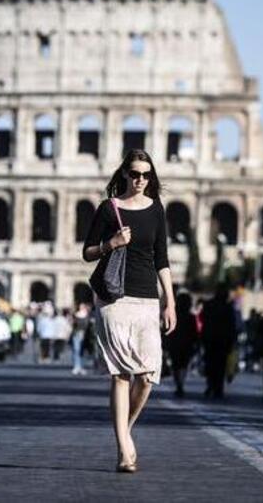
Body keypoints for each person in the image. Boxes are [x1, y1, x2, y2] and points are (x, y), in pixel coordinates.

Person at [82, 149, 176, 474]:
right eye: (134, 174)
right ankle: (124, 448)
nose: (140, 180)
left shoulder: (156, 210)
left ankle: (125, 429)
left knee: (147, 375)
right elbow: (88, 253)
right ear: (124, 173)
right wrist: (112, 244)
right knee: (121, 375)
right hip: (113, 299)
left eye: (145, 175)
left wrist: (171, 301)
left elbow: (162, 259)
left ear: (151, 177)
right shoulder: (109, 209)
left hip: (148, 299)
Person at [201, 283, 238, 399]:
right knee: (220, 366)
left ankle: (211, 385)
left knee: (210, 364)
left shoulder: (209, 305)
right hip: (222, 341)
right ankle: (218, 387)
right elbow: (232, 326)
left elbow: (204, 321)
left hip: (211, 339)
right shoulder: (228, 308)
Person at [164, 291, 197, 397]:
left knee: (176, 366)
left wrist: (166, 343)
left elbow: (167, 331)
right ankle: (180, 384)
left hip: (175, 344)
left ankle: (179, 384)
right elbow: (195, 332)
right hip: (186, 344)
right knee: (183, 365)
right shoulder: (190, 317)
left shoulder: (174, 315)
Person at [71, 303, 91, 375]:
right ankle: (76, 366)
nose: (81, 307)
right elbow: (73, 325)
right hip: (76, 334)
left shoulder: (87, 316)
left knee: (82, 352)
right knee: (76, 351)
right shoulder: (75, 315)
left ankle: (81, 367)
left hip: (84, 335)